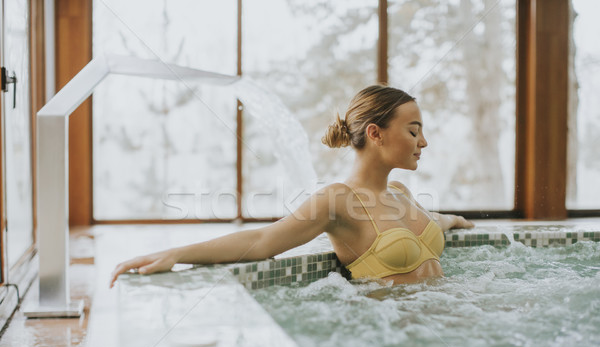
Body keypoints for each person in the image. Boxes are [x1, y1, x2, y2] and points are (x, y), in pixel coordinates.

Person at [110, 85, 474, 288]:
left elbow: (432, 221)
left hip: (450, 313)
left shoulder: (400, 194)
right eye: (414, 130)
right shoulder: (338, 200)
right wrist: (177, 253)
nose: (423, 142)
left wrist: (452, 220)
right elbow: (263, 241)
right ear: (376, 133)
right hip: (406, 334)